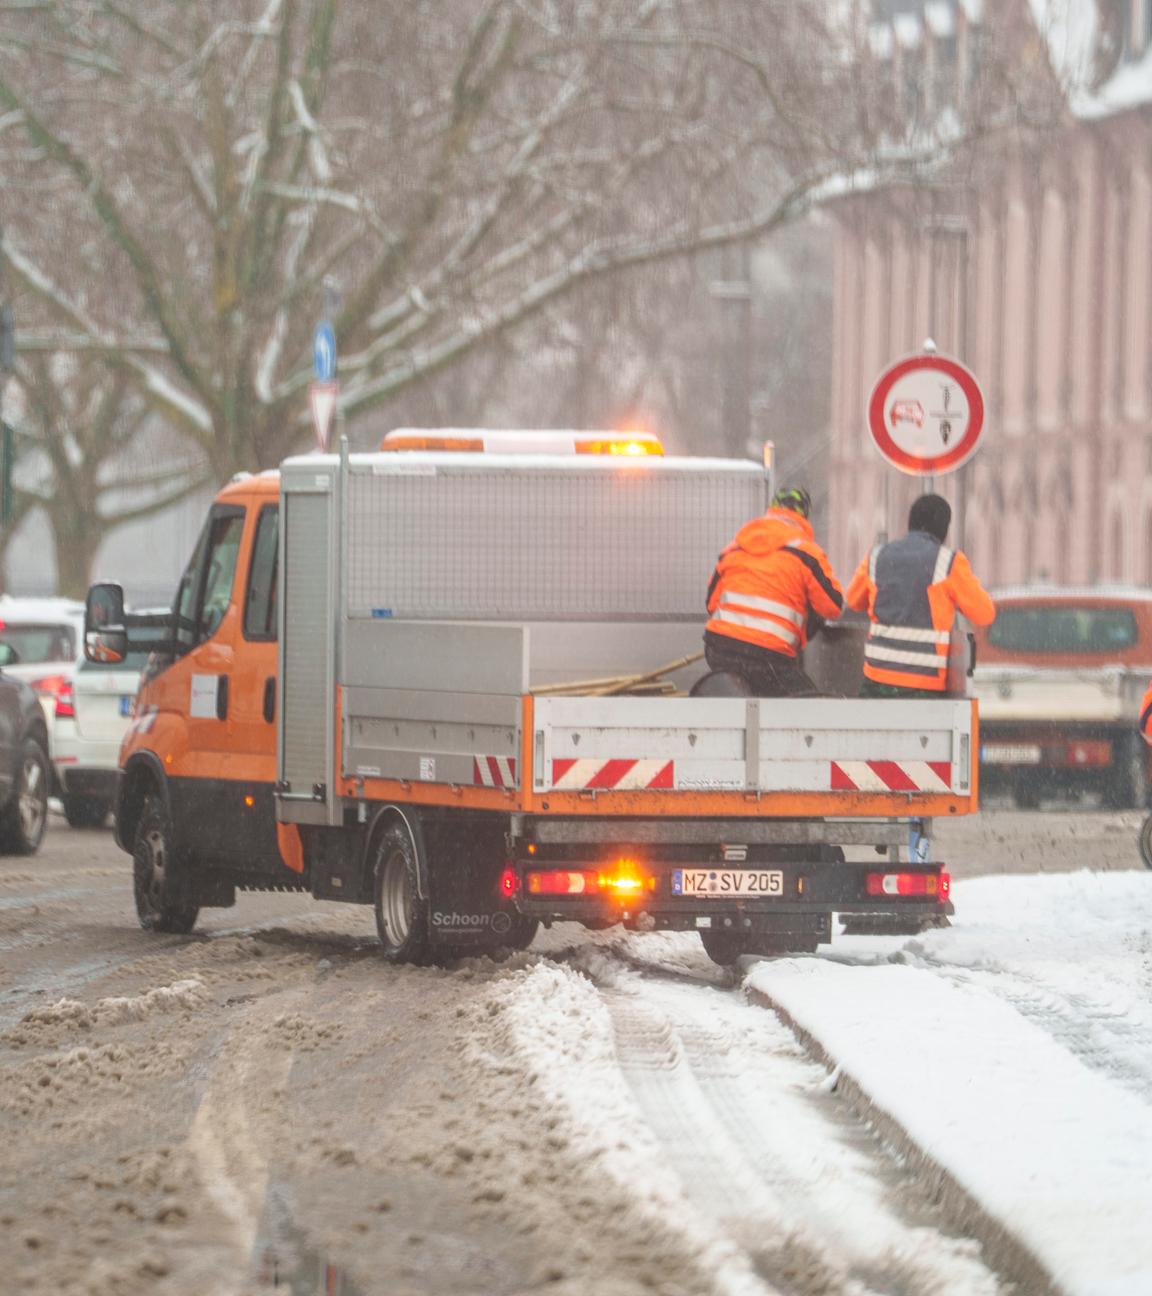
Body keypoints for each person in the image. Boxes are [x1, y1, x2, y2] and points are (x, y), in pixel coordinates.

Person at [845, 493, 995, 698]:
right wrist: (955, 601)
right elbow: (984, 613)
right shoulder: (948, 562)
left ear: (911, 523)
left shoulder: (877, 556)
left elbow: (854, 600)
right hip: (924, 685)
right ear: (944, 529)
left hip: (877, 680)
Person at [704, 485, 844, 697]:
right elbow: (832, 607)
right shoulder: (807, 553)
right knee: (806, 705)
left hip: (720, 649)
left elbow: (711, 603)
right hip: (770, 656)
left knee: (739, 699)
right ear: (804, 515)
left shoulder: (734, 548)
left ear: (771, 510)